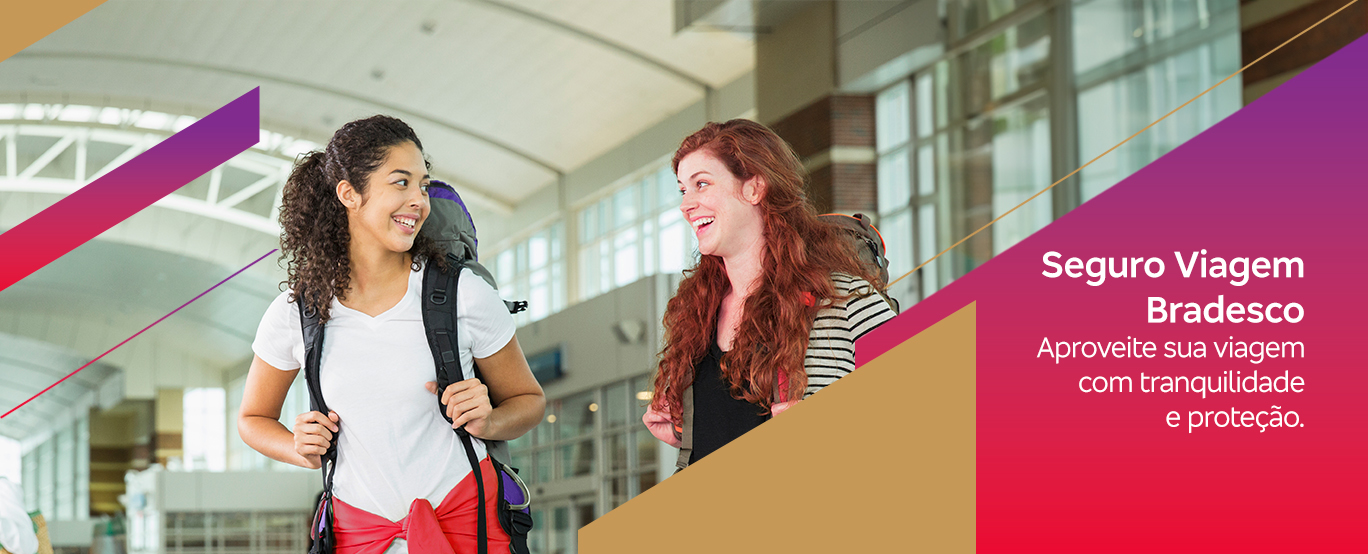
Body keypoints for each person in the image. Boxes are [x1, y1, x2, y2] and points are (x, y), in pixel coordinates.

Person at [238, 115, 545, 554]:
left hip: (466, 529)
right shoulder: (299, 310)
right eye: (400, 183)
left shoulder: (463, 293)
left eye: (422, 185)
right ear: (349, 194)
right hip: (356, 537)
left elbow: (529, 401)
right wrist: (297, 446)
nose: (418, 200)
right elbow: (252, 419)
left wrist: (491, 419)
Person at [643, 119, 897, 467]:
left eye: (701, 184)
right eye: (683, 190)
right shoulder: (698, 314)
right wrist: (688, 433)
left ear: (754, 188)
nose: (687, 204)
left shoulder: (845, 299)